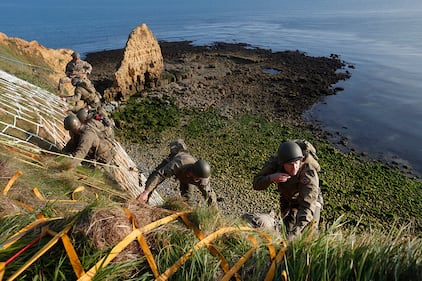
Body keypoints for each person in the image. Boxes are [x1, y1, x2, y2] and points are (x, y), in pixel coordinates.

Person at [253, 140, 323, 241]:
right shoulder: (275, 165)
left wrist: (296, 233)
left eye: (296, 163)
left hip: (310, 200)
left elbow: (307, 206)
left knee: (310, 234)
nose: (294, 168)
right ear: (282, 163)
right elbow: (256, 184)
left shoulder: (308, 173)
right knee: (286, 231)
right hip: (288, 199)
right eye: (290, 164)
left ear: (301, 160)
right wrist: (271, 178)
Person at [137, 139, 218, 208]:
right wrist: (146, 192)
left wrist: (215, 216)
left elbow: (210, 195)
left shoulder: (203, 178)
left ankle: (187, 215)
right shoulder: (179, 163)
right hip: (176, 165)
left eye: (198, 179)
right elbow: (160, 175)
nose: (198, 181)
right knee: (153, 179)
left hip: (186, 177)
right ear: (191, 172)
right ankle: (143, 201)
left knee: (188, 199)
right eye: (197, 178)